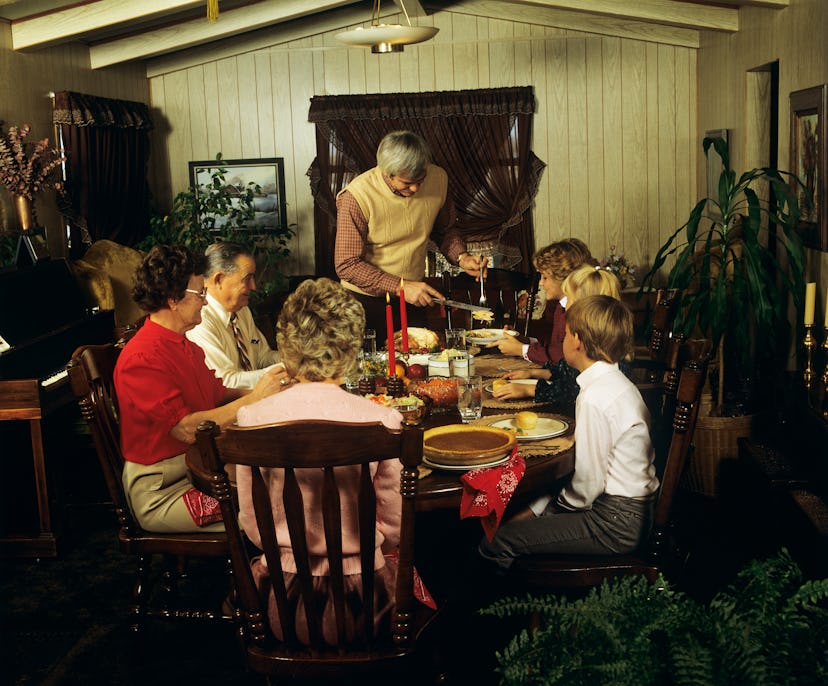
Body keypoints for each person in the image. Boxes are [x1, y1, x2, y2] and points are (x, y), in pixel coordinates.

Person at [236, 278, 405, 646]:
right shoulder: (384, 422)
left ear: (286, 345)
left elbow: (251, 523)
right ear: (351, 349)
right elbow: (394, 524)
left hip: (281, 600)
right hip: (365, 602)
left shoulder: (251, 418)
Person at [113, 244, 291, 534]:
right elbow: (185, 429)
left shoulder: (184, 344)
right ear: (173, 300)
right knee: (265, 508)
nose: (206, 303)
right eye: (200, 294)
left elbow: (219, 393)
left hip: (201, 471)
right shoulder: (141, 358)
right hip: (164, 492)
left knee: (283, 491)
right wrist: (258, 396)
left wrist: (277, 389)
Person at [479, 295, 658, 570]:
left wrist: (545, 512)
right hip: (632, 511)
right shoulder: (615, 382)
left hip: (616, 521)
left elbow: (587, 488)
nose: (561, 341)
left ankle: (517, 607)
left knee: (496, 542)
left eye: (565, 334)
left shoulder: (595, 397)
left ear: (577, 341)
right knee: (526, 511)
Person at [334, 129, 486, 332]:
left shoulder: (438, 178)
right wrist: (401, 286)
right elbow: (347, 264)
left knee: (417, 362)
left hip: (413, 298)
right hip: (363, 304)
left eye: (420, 179)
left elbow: (446, 230)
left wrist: (462, 257)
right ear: (386, 173)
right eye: (407, 183)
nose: (415, 189)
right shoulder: (356, 197)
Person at [493, 265, 623, 408]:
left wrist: (529, 389)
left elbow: (573, 390)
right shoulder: (593, 337)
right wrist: (533, 373)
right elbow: (568, 372)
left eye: (568, 299)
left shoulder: (595, 347)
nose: (564, 304)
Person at [186, 242, 281, 389]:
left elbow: (263, 357)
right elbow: (226, 382)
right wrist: (283, 371)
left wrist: (295, 361)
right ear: (219, 279)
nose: (254, 286)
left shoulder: (242, 310)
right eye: (247, 279)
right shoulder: (200, 320)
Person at [488, 238, 595, 364]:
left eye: (545, 277)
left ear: (564, 279)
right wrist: (524, 341)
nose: (541, 283)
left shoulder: (579, 311)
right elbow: (554, 347)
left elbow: (563, 355)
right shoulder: (561, 307)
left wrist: (522, 350)